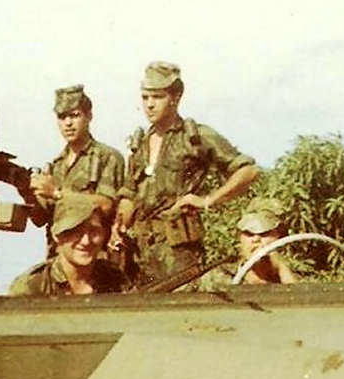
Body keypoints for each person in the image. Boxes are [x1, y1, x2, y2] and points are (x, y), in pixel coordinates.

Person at [110, 62, 260, 288]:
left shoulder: (195, 137)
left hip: (179, 253)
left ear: (176, 97)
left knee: (183, 307)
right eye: (145, 97)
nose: (149, 104)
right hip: (140, 255)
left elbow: (248, 170)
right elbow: (130, 193)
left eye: (157, 97)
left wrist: (208, 200)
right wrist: (118, 226)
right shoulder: (140, 143)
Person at [29, 85, 125, 254]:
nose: (68, 123)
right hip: (59, 255)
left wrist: (57, 193)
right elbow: (40, 219)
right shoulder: (56, 165)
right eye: (62, 117)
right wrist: (27, 189)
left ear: (89, 116)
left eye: (74, 115)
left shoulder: (107, 157)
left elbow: (105, 205)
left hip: (92, 253)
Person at [10, 194, 128, 296]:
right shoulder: (34, 286)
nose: (86, 241)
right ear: (57, 235)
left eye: (94, 231)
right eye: (76, 232)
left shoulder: (116, 280)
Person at [194, 198, 300, 290]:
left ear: (279, 238)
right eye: (249, 234)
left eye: (264, 233)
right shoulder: (219, 276)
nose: (256, 239)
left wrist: (281, 268)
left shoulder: (293, 276)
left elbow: (301, 302)